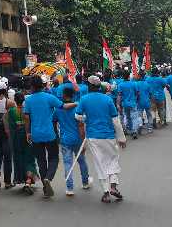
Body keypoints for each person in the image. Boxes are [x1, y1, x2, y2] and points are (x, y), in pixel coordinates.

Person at [74, 75, 126, 203]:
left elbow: (77, 115)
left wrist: (86, 118)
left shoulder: (84, 99)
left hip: (93, 136)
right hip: (109, 136)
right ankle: (113, 186)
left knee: (100, 163)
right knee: (113, 160)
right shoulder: (107, 99)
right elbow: (115, 120)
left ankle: (106, 192)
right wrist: (122, 138)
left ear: (89, 86)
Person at [24, 74, 73, 198]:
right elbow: (64, 106)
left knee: (41, 160)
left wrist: (28, 133)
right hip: (49, 134)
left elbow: (27, 119)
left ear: (32, 86)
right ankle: (48, 179)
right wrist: (77, 103)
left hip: (36, 135)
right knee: (54, 158)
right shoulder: (49, 97)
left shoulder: (28, 100)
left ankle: (46, 189)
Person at [53, 87, 89, 196]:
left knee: (67, 163)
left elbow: (53, 121)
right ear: (73, 96)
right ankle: (85, 182)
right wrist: (83, 141)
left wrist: (56, 135)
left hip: (65, 140)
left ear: (63, 95)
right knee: (82, 160)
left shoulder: (58, 109)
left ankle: (69, 188)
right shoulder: (77, 108)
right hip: (77, 139)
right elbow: (81, 126)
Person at [5, 92, 36, 194]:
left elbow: (10, 127)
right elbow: (31, 122)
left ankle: (22, 178)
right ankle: (28, 181)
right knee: (30, 158)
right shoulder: (27, 110)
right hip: (28, 135)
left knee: (19, 158)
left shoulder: (11, 111)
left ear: (15, 100)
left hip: (16, 138)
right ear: (23, 100)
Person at [0, 80, 15, 189]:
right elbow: (13, 117)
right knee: (8, 156)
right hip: (6, 131)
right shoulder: (9, 102)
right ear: (5, 90)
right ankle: (7, 182)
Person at [117, 71, 139, 137]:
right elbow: (137, 93)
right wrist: (136, 99)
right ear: (129, 76)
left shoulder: (120, 85)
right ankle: (134, 131)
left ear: (122, 76)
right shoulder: (134, 84)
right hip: (133, 103)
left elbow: (119, 95)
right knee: (134, 117)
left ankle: (127, 129)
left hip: (125, 104)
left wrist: (118, 104)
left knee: (127, 117)